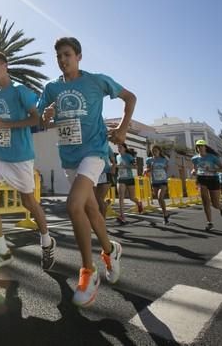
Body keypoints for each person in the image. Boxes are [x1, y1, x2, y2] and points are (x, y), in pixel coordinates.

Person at [38, 37, 135, 308]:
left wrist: (124, 128)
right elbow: (38, 116)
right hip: (68, 157)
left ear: (79, 56)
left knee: (74, 205)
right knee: (91, 211)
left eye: (67, 54)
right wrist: (44, 116)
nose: (63, 60)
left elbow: (130, 97)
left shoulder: (96, 81)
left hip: (94, 152)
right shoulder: (52, 88)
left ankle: (88, 272)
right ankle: (110, 250)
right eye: (58, 56)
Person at [0, 51, 55, 272]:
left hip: (21, 156)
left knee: (29, 203)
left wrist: (6, 126)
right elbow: (1, 125)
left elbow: (35, 119)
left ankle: (47, 241)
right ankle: (1, 250)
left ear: (5, 66)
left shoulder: (21, 91)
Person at [191, 140, 222, 231]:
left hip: (213, 180)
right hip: (201, 180)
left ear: (205, 147)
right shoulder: (194, 159)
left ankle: (221, 207)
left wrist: (212, 169)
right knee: (205, 202)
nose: (200, 148)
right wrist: (193, 172)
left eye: (202, 146)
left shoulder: (212, 157)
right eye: (198, 146)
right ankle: (210, 223)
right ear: (197, 148)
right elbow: (194, 169)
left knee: (215, 204)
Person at [115, 143, 143, 224]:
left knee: (132, 197)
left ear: (124, 148)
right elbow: (118, 166)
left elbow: (135, 167)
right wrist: (116, 166)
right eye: (118, 147)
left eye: (120, 147)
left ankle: (138, 203)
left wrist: (124, 166)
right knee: (121, 197)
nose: (119, 148)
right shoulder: (117, 157)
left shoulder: (128, 156)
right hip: (120, 179)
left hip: (130, 179)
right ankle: (122, 216)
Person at [144, 146, 170, 225]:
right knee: (159, 199)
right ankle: (165, 213)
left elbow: (166, 169)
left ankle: (165, 215)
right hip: (154, 182)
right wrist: (148, 170)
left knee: (160, 197)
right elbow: (147, 169)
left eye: (156, 150)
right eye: (153, 151)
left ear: (159, 151)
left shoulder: (164, 160)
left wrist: (163, 174)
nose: (154, 152)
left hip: (163, 181)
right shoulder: (149, 160)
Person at [94, 147, 116, 218]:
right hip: (94, 174)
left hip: (105, 173)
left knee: (98, 198)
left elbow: (114, 161)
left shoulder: (107, 146)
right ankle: (105, 204)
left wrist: (113, 169)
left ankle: (102, 223)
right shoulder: (90, 142)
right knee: (96, 199)